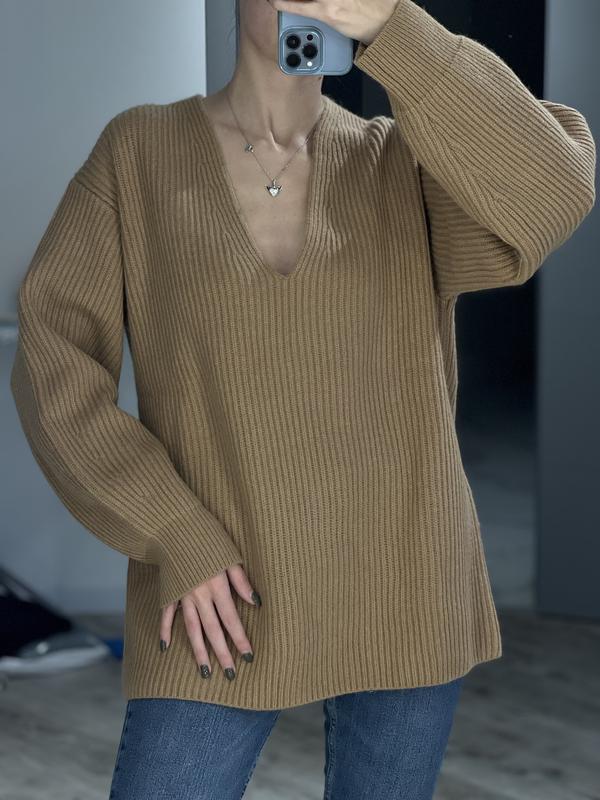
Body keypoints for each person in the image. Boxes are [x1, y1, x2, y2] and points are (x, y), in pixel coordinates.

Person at [10, 0, 595, 797]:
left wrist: (398, 30)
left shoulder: (405, 166)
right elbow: (54, 361)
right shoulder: (139, 152)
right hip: (220, 591)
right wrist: (173, 531)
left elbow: (555, 188)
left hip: (406, 585)